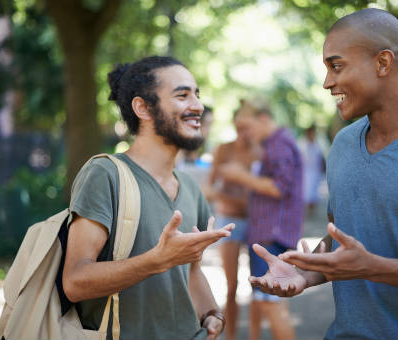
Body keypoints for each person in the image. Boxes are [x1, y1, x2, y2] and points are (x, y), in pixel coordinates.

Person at [249, 8, 398, 340]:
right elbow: (346, 242)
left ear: (383, 63)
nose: (327, 83)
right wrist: (305, 271)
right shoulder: (344, 144)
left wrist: (375, 269)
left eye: (336, 66)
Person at [63, 56, 235, 339]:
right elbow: (75, 281)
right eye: (182, 95)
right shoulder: (105, 175)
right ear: (142, 107)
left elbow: (190, 273)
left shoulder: (191, 188)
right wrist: (156, 260)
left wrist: (211, 314)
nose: (197, 106)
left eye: (197, 94)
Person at [218, 98, 304, 340]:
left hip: (271, 236)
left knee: (272, 304)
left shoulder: (277, 145)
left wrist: (240, 176)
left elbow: (279, 187)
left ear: (263, 119)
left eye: (247, 127)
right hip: (268, 235)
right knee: (270, 302)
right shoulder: (275, 144)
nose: (244, 134)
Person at [203, 105, 261, 339]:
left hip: (256, 221)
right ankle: (231, 336)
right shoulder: (223, 150)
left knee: (259, 287)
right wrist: (233, 197)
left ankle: (255, 335)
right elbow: (209, 189)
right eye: (239, 125)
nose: (243, 131)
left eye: (247, 126)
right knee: (232, 287)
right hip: (230, 221)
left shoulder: (260, 151)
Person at [298, 125, 327, 215]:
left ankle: (312, 209)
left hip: (315, 171)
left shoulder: (319, 144)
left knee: (314, 192)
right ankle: (304, 210)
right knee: (306, 191)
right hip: (305, 171)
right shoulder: (301, 144)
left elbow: (322, 157)